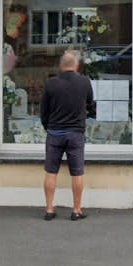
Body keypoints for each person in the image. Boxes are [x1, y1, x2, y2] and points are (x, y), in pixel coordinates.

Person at [40, 50, 96, 221]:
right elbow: (91, 106)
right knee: (77, 173)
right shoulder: (84, 82)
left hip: (55, 133)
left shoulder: (51, 84)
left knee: (51, 172)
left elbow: (44, 112)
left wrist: (47, 127)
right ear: (76, 65)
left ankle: (49, 209)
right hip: (75, 133)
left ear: (60, 66)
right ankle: (76, 209)